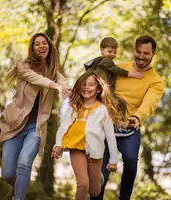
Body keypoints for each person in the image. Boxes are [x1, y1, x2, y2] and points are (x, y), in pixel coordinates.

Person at [91, 35, 165, 200]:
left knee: (131, 161)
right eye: (138, 52)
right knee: (100, 171)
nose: (141, 56)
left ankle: (124, 198)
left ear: (153, 54)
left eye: (146, 53)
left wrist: (137, 117)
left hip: (130, 126)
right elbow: (101, 83)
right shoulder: (120, 68)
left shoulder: (156, 81)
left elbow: (149, 103)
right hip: (106, 124)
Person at [0, 33, 70, 200]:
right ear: (32, 48)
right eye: (37, 44)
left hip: (35, 127)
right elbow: (36, 79)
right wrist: (56, 86)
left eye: (44, 43)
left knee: (24, 164)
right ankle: (17, 189)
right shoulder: (23, 66)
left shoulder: (54, 73)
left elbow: (65, 83)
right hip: (14, 125)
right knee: (8, 173)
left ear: (49, 47)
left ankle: (19, 198)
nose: (41, 46)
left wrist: (71, 91)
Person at [52, 71, 121, 200]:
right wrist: (58, 144)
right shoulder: (74, 107)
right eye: (83, 84)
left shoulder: (103, 110)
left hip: (95, 152)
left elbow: (110, 137)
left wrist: (113, 160)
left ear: (99, 89)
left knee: (94, 191)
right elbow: (63, 127)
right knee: (82, 184)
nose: (86, 87)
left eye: (91, 85)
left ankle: (98, 177)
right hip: (76, 148)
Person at [84, 37, 144, 118]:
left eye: (115, 52)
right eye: (110, 51)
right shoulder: (106, 60)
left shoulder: (100, 62)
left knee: (108, 108)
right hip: (104, 90)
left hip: (102, 90)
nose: (112, 54)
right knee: (121, 104)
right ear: (102, 50)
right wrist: (133, 74)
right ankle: (121, 123)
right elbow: (117, 70)